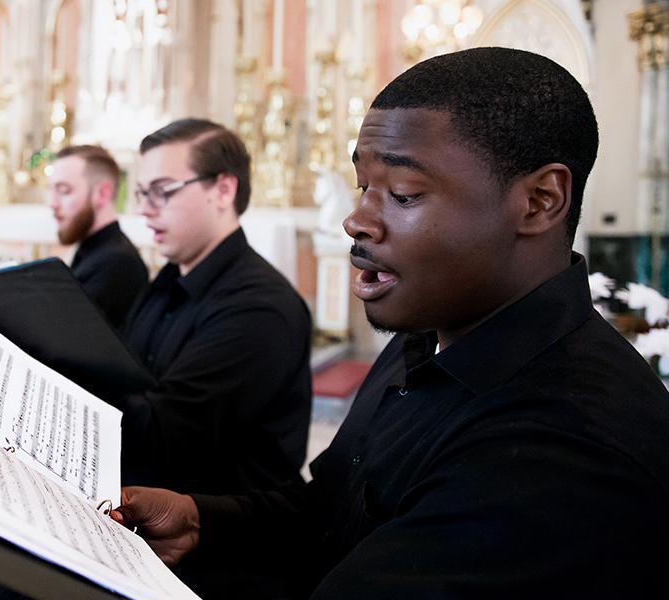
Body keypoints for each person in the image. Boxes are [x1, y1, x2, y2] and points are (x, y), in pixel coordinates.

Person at [112, 48, 669, 598]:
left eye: (403, 194)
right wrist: (199, 521)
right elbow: (331, 509)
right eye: (363, 186)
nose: (356, 220)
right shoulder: (428, 335)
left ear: (539, 201)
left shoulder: (564, 451)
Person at [114, 118, 312, 596]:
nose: (144, 210)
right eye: (140, 193)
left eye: (161, 191)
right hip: (145, 521)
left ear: (223, 189)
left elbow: (166, 435)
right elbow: (122, 373)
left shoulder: (259, 306)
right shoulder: (166, 281)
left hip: (215, 555)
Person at [47, 144, 148, 328]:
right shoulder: (95, 250)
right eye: (50, 190)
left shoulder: (118, 263)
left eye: (63, 190)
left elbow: (67, 335)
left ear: (102, 193)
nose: (52, 203)